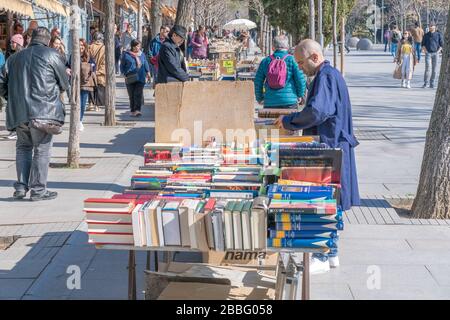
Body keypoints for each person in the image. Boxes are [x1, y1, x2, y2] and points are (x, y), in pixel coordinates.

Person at [275, 39, 360, 273]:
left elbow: (318, 111)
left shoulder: (326, 77)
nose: (300, 68)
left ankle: (322, 256)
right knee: (331, 201)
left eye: (302, 63)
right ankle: (331, 253)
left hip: (329, 147)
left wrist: (290, 121)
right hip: (332, 145)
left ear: (314, 57)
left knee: (325, 203)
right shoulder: (328, 75)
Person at [0, 27, 69, 201]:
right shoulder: (53, 55)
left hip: (20, 112)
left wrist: (13, 98)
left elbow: (2, 83)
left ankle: (21, 187)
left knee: (23, 148)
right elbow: (64, 83)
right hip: (43, 112)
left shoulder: (14, 58)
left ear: (31, 39)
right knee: (42, 149)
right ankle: (38, 190)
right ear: (47, 40)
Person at [254, 36, 306, 109]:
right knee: (289, 120)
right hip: (289, 101)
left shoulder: (265, 61)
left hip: (270, 102)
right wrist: (300, 95)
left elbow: (258, 81)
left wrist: (259, 98)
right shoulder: (293, 60)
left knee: (270, 121)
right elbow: (300, 80)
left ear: (273, 47)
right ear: (287, 46)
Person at [121, 39, 150, 117]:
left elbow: (145, 63)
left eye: (139, 46)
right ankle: (132, 110)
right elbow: (122, 65)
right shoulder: (126, 54)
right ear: (133, 46)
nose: (138, 48)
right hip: (130, 77)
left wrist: (148, 72)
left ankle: (137, 110)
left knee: (138, 93)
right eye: (136, 46)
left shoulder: (142, 54)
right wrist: (123, 73)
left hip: (140, 77)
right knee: (131, 95)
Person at [79, 39, 96, 131]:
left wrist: (90, 67)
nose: (81, 47)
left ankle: (80, 120)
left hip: (86, 82)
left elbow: (94, 66)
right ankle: (77, 120)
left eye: (82, 45)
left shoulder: (89, 56)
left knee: (82, 102)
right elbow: (68, 65)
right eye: (79, 45)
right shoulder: (73, 56)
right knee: (76, 103)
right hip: (75, 82)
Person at [421, 23, 444, 89]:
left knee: (434, 70)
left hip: (435, 54)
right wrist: (425, 51)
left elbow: (441, 45)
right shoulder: (426, 35)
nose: (431, 27)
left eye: (432, 26)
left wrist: (438, 52)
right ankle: (425, 83)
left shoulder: (438, 34)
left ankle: (432, 83)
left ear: (435, 27)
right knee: (427, 68)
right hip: (428, 53)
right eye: (430, 26)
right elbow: (423, 44)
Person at [89, 32, 106, 109]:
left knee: (91, 87)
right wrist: (100, 71)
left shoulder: (89, 47)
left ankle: (91, 104)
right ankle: (97, 105)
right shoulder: (104, 48)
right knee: (99, 88)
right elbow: (104, 62)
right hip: (100, 73)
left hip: (90, 71)